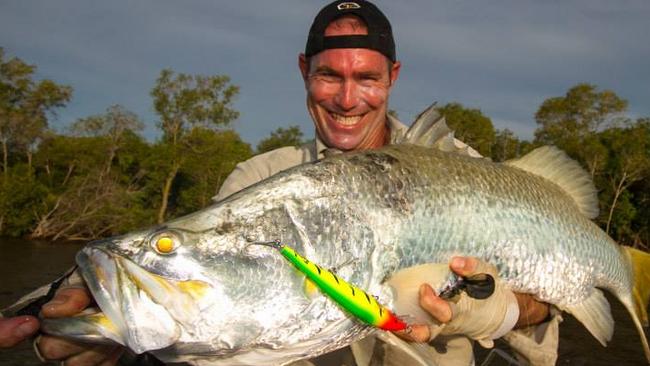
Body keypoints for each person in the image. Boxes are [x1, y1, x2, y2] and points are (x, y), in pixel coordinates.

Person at [0, 1, 558, 365]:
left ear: (393, 77)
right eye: (328, 76)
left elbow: (549, 303)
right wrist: (102, 329)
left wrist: (497, 308)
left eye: (366, 78)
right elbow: (210, 287)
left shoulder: (476, 174)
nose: (346, 99)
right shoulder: (262, 179)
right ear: (303, 71)